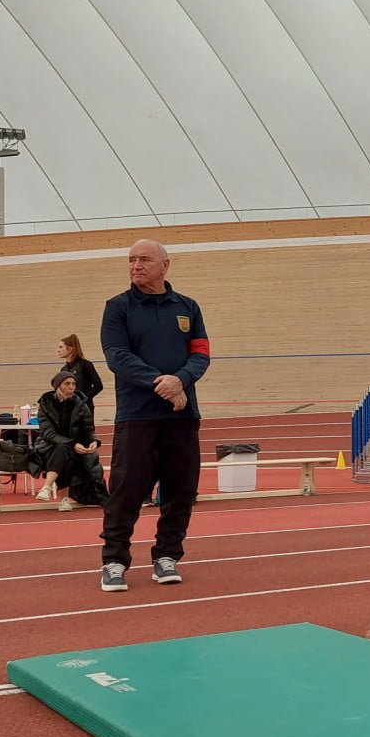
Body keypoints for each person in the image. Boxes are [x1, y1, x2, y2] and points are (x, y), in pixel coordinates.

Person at [97, 240, 210, 593]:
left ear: (165, 265)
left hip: (182, 415)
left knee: (180, 490)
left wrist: (181, 380)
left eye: (144, 259)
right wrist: (162, 383)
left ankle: (167, 557)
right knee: (127, 490)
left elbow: (201, 354)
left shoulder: (187, 307)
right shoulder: (118, 307)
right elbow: (117, 356)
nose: (136, 265)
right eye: (131, 259)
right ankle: (114, 561)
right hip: (137, 416)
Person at [32, 371, 108, 511]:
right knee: (63, 450)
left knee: (65, 452)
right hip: (48, 447)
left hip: (73, 448)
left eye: (73, 383)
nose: (71, 387)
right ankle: (62, 499)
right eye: (67, 384)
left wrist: (94, 441)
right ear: (58, 386)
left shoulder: (81, 404)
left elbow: (88, 429)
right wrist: (73, 444)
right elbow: (48, 433)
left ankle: (47, 488)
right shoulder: (46, 404)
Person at [56, 333, 105, 407]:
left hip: (85, 408)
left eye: (61, 347)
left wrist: (84, 399)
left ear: (70, 349)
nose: (58, 350)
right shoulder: (63, 369)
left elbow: (98, 386)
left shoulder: (85, 365)